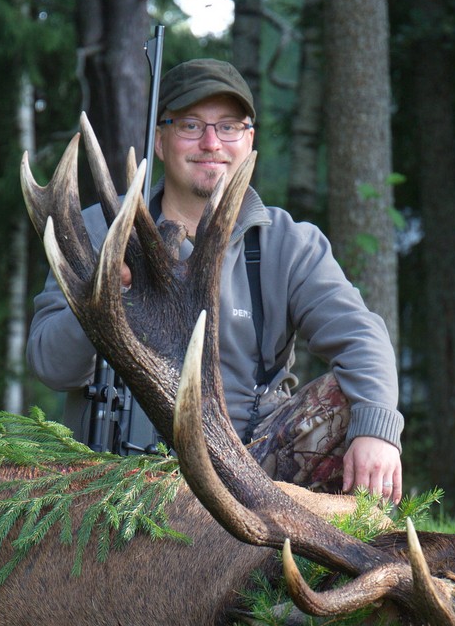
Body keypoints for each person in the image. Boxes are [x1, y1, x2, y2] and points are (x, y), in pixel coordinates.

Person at [27, 59, 404, 504]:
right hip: (119, 482)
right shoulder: (98, 232)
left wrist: (378, 430)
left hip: (251, 474)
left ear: (249, 141)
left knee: (352, 394)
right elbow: (51, 365)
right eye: (190, 125)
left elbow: (363, 337)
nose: (211, 143)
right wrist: (107, 291)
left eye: (228, 127)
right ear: (160, 140)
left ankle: (313, 557)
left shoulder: (289, 243)